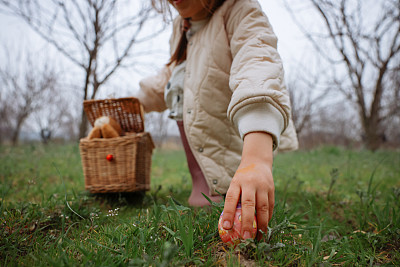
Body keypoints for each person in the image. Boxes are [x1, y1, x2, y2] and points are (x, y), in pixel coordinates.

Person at [137, 0, 298, 240]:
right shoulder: (181, 27)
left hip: (237, 160)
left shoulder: (239, 11)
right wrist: (134, 103)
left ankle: (235, 186)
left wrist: (256, 159)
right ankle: (202, 186)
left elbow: (257, 66)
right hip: (201, 181)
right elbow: (167, 79)